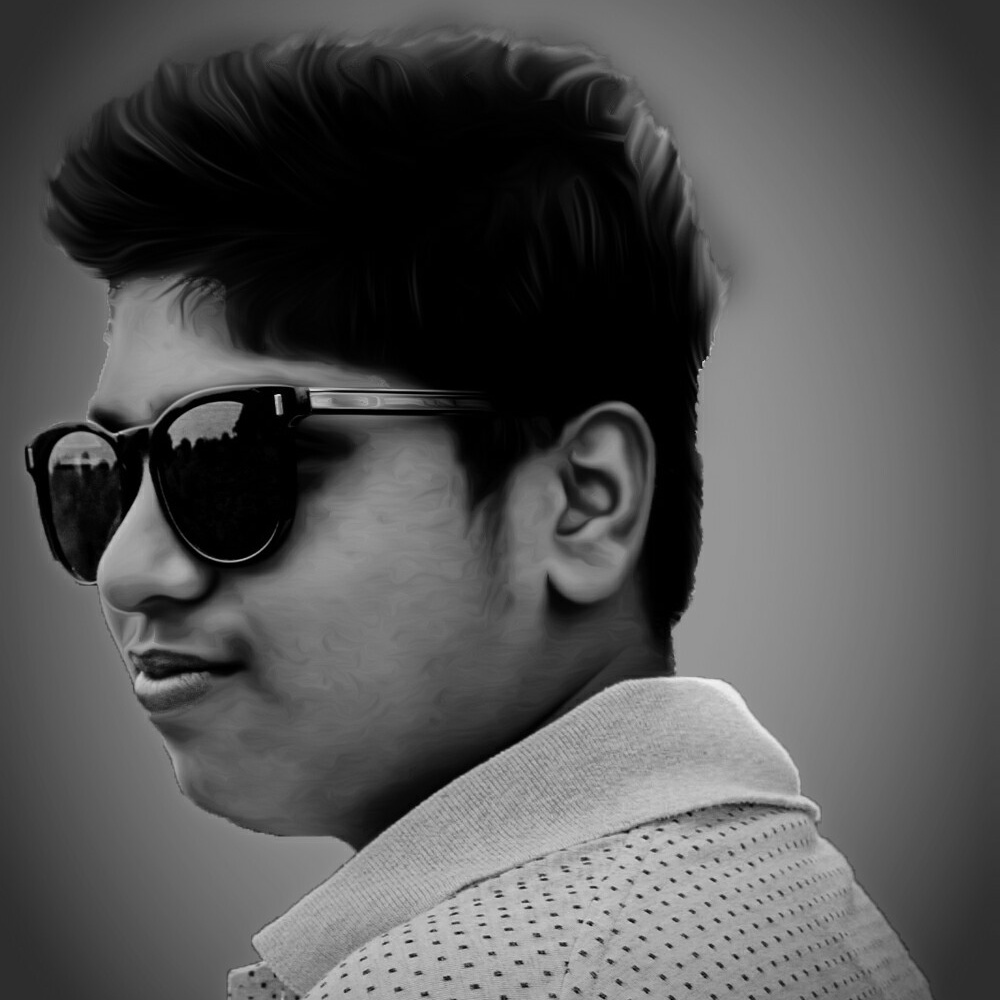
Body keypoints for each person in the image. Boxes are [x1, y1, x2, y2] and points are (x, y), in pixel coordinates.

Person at [25, 26, 932, 1000]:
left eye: (231, 457)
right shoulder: (784, 898)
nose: (126, 566)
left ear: (583, 501)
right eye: (102, 472)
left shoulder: (486, 977)